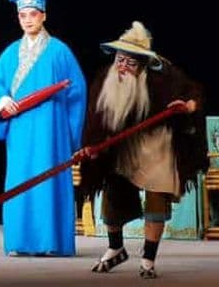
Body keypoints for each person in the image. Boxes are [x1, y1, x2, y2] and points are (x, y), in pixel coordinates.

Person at [79, 21, 207, 279]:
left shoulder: (165, 77)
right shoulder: (106, 79)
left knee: (156, 200)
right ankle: (116, 249)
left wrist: (189, 106)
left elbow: (195, 93)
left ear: (143, 64)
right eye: (119, 60)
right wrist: (91, 147)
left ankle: (148, 259)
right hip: (123, 147)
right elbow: (96, 119)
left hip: (156, 145)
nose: (122, 67)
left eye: (130, 62)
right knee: (112, 197)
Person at [0, 0, 87, 256]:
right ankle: (19, 242)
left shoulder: (59, 51)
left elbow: (77, 91)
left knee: (47, 180)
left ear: (44, 16)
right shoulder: (11, 53)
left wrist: (70, 134)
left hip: (50, 129)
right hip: (20, 127)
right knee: (19, 180)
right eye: (23, 16)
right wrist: (3, 102)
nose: (28, 20)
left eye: (33, 14)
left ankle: (51, 242)